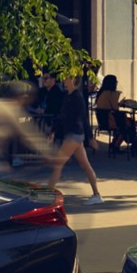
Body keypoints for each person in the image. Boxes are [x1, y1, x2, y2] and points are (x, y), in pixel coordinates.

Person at [46, 75, 103, 205]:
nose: (64, 80)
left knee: (58, 164)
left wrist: (90, 138)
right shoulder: (68, 95)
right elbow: (62, 116)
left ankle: (47, 195)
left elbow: (84, 117)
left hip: (75, 134)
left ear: (73, 81)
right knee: (85, 164)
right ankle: (96, 194)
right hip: (72, 134)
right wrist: (54, 131)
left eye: (67, 78)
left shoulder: (77, 96)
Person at [93, 74, 135, 153]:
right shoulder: (111, 93)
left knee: (125, 121)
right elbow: (115, 109)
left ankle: (115, 143)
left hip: (103, 121)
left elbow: (108, 106)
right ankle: (117, 145)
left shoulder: (101, 93)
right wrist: (120, 103)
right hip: (110, 121)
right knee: (126, 124)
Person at [28, 71, 64, 138]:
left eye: (46, 78)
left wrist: (44, 111)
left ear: (53, 79)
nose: (44, 81)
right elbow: (35, 102)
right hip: (39, 117)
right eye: (43, 78)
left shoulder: (57, 93)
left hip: (50, 120)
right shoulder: (42, 91)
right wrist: (37, 108)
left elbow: (56, 108)